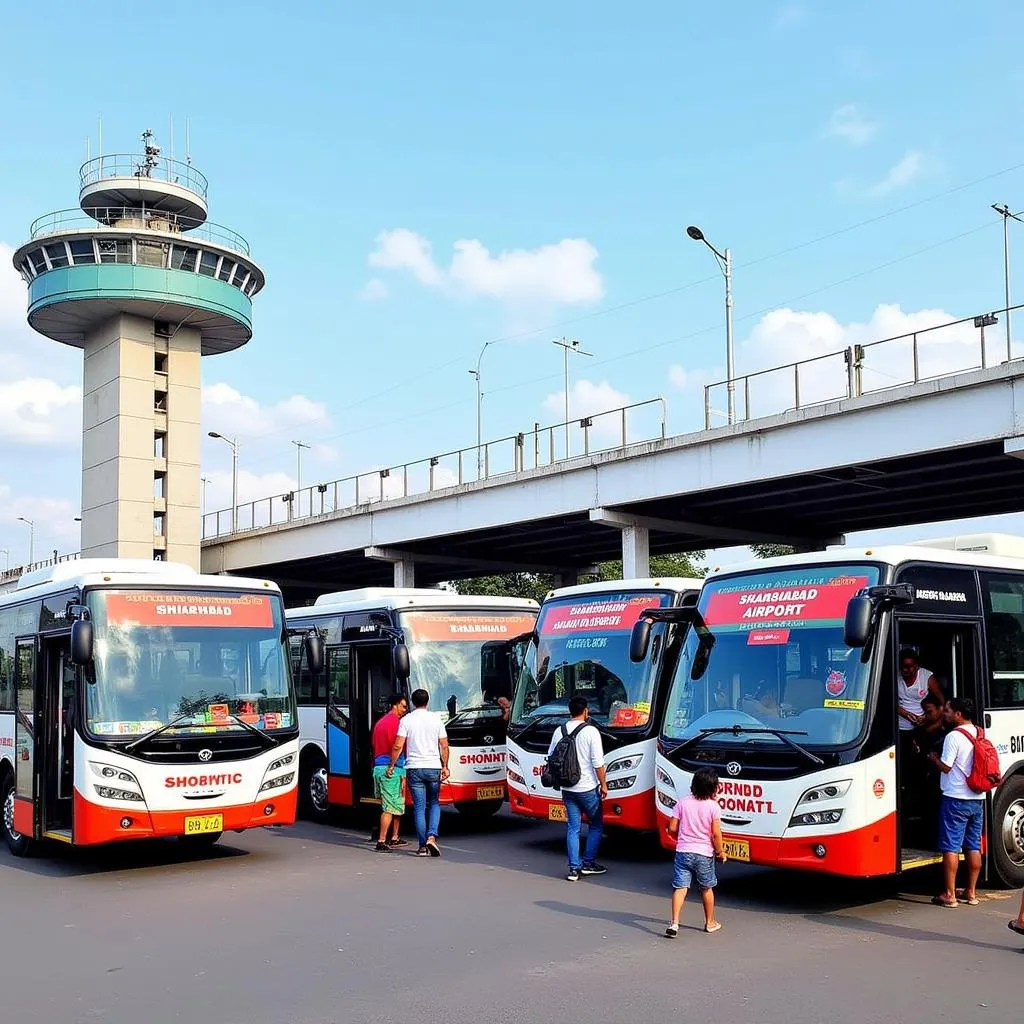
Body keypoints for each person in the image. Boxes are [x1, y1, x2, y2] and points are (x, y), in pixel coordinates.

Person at [929, 698, 985, 908]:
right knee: (973, 845)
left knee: (951, 846)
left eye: (949, 710)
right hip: (977, 798)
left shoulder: (953, 736)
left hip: (955, 798)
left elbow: (946, 766)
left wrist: (933, 759)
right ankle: (971, 892)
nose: (945, 712)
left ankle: (950, 894)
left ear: (959, 714)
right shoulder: (979, 732)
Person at [548, 695, 608, 882]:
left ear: (570, 711)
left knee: (573, 828)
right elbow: (598, 763)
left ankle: (574, 868)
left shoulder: (560, 730)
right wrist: (604, 784)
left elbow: (551, 756)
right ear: (586, 711)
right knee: (596, 824)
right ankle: (589, 863)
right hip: (587, 788)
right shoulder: (591, 731)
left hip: (567, 787)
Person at [387, 688, 449, 858]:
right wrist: (445, 766)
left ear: (413, 703)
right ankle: (432, 836)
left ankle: (422, 847)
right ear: (427, 702)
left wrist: (391, 765)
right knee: (434, 803)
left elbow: (398, 746)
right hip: (433, 767)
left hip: (414, 768)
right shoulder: (436, 720)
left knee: (419, 807)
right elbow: (444, 745)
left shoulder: (406, 720)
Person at [665, 767, 727, 937]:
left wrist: (681, 837)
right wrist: (720, 852)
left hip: (683, 851)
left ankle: (675, 923)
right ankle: (710, 922)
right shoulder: (713, 807)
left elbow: (672, 827)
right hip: (704, 853)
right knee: (706, 888)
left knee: (680, 887)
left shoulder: (682, 803)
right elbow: (715, 834)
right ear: (713, 788)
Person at [371, 693, 409, 852]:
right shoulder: (397, 724)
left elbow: (373, 744)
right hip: (392, 769)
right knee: (389, 807)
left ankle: (394, 837)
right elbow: (398, 746)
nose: (405, 710)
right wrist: (392, 765)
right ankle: (381, 841)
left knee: (395, 804)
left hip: (378, 768)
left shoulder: (379, 723)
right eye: (404, 706)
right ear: (395, 705)